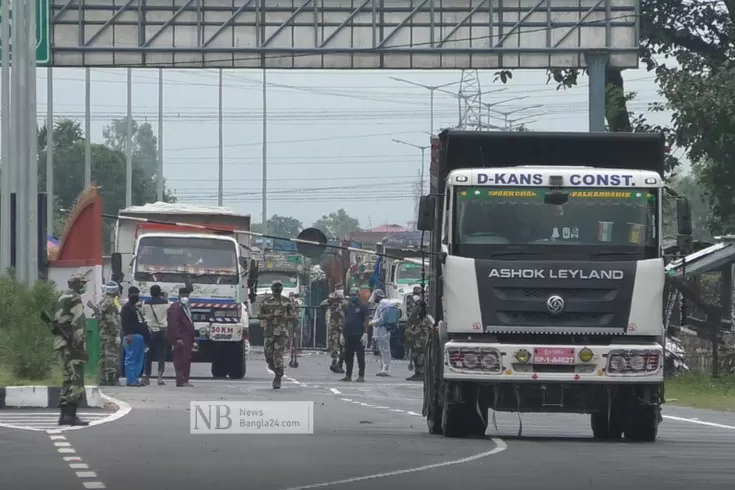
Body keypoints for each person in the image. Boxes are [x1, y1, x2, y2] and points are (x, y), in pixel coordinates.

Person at [54, 273, 90, 426]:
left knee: (67, 379)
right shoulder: (75, 298)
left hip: (61, 343)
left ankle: (63, 416)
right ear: (76, 284)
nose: (83, 286)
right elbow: (78, 325)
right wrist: (80, 347)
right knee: (76, 381)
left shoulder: (62, 297)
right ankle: (71, 415)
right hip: (72, 345)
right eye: (82, 283)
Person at [260, 280, 296, 389]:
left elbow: (293, 316)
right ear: (272, 288)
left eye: (279, 287)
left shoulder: (287, 302)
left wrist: (286, 318)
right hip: (269, 331)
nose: (277, 289)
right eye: (275, 287)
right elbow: (259, 315)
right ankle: (275, 368)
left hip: (281, 332)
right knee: (268, 355)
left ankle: (278, 377)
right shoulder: (266, 302)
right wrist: (267, 317)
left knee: (278, 354)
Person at [339, 287, 370, 382]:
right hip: (349, 334)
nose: (353, 297)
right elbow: (345, 320)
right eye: (351, 295)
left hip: (359, 334)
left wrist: (365, 333)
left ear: (358, 296)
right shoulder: (348, 306)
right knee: (348, 356)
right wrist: (342, 333)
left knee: (360, 356)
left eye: (354, 295)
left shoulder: (363, 307)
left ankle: (361, 375)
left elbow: (366, 321)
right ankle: (348, 375)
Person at [121, 286, 149, 387]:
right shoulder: (126, 308)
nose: (136, 297)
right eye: (134, 295)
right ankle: (131, 380)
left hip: (139, 336)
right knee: (131, 359)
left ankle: (135, 379)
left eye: (137, 295)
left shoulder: (135, 307)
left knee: (138, 359)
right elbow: (124, 322)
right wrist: (128, 334)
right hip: (131, 336)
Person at [167, 287, 196, 387]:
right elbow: (173, 324)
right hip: (181, 337)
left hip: (187, 337)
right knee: (180, 359)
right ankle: (181, 380)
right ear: (179, 295)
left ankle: (185, 379)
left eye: (187, 296)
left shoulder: (186, 306)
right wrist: (177, 337)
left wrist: (193, 339)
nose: (186, 298)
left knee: (186, 359)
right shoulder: (176, 307)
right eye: (184, 296)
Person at [143, 285, 170, 386]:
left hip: (150, 332)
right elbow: (169, 312)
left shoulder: (145, 303)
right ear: (160, 293)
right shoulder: (166, 303)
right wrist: (166, 297)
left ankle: (146, 377)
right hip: (162, 332)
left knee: (148, 355)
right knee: (161, 356)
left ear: (150, 293)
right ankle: (160, 378)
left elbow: (143, 315)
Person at [96, 281, 121, 386]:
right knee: (111, 356)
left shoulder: (103, 301)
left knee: (103, 356)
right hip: (110, 334)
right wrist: (116, 334)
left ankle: (102, 378)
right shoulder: (110, 303)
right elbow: (111, 320)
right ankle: (111, 378)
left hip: (103, 332)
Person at [321, 283, 346, 373]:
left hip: (343, 328)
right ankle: (334, 362)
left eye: (341, 288)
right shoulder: (332, 301)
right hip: (334, 327)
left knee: (343, 347)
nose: (339, 290)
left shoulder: (345, 301)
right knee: (333, 345)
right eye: (338, 288)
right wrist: (331, 299)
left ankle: (340, 363)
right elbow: (322, 304)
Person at [405, 294, 430, 381]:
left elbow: (414, 322)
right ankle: (418, 372)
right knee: (417, 354)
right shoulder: (421, 307)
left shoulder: (419, 308)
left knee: (419, 354)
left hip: (419, 335)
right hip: (417, 334)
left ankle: (420, 372)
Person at [369, 289, 392, 376]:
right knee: (384, 350)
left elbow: (382, 319)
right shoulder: (384, 303)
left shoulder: (383, 304)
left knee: (384, 350)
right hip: (383, 330)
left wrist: (372, 322)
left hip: (382, 330)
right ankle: (384, 368)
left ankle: (385, 369)